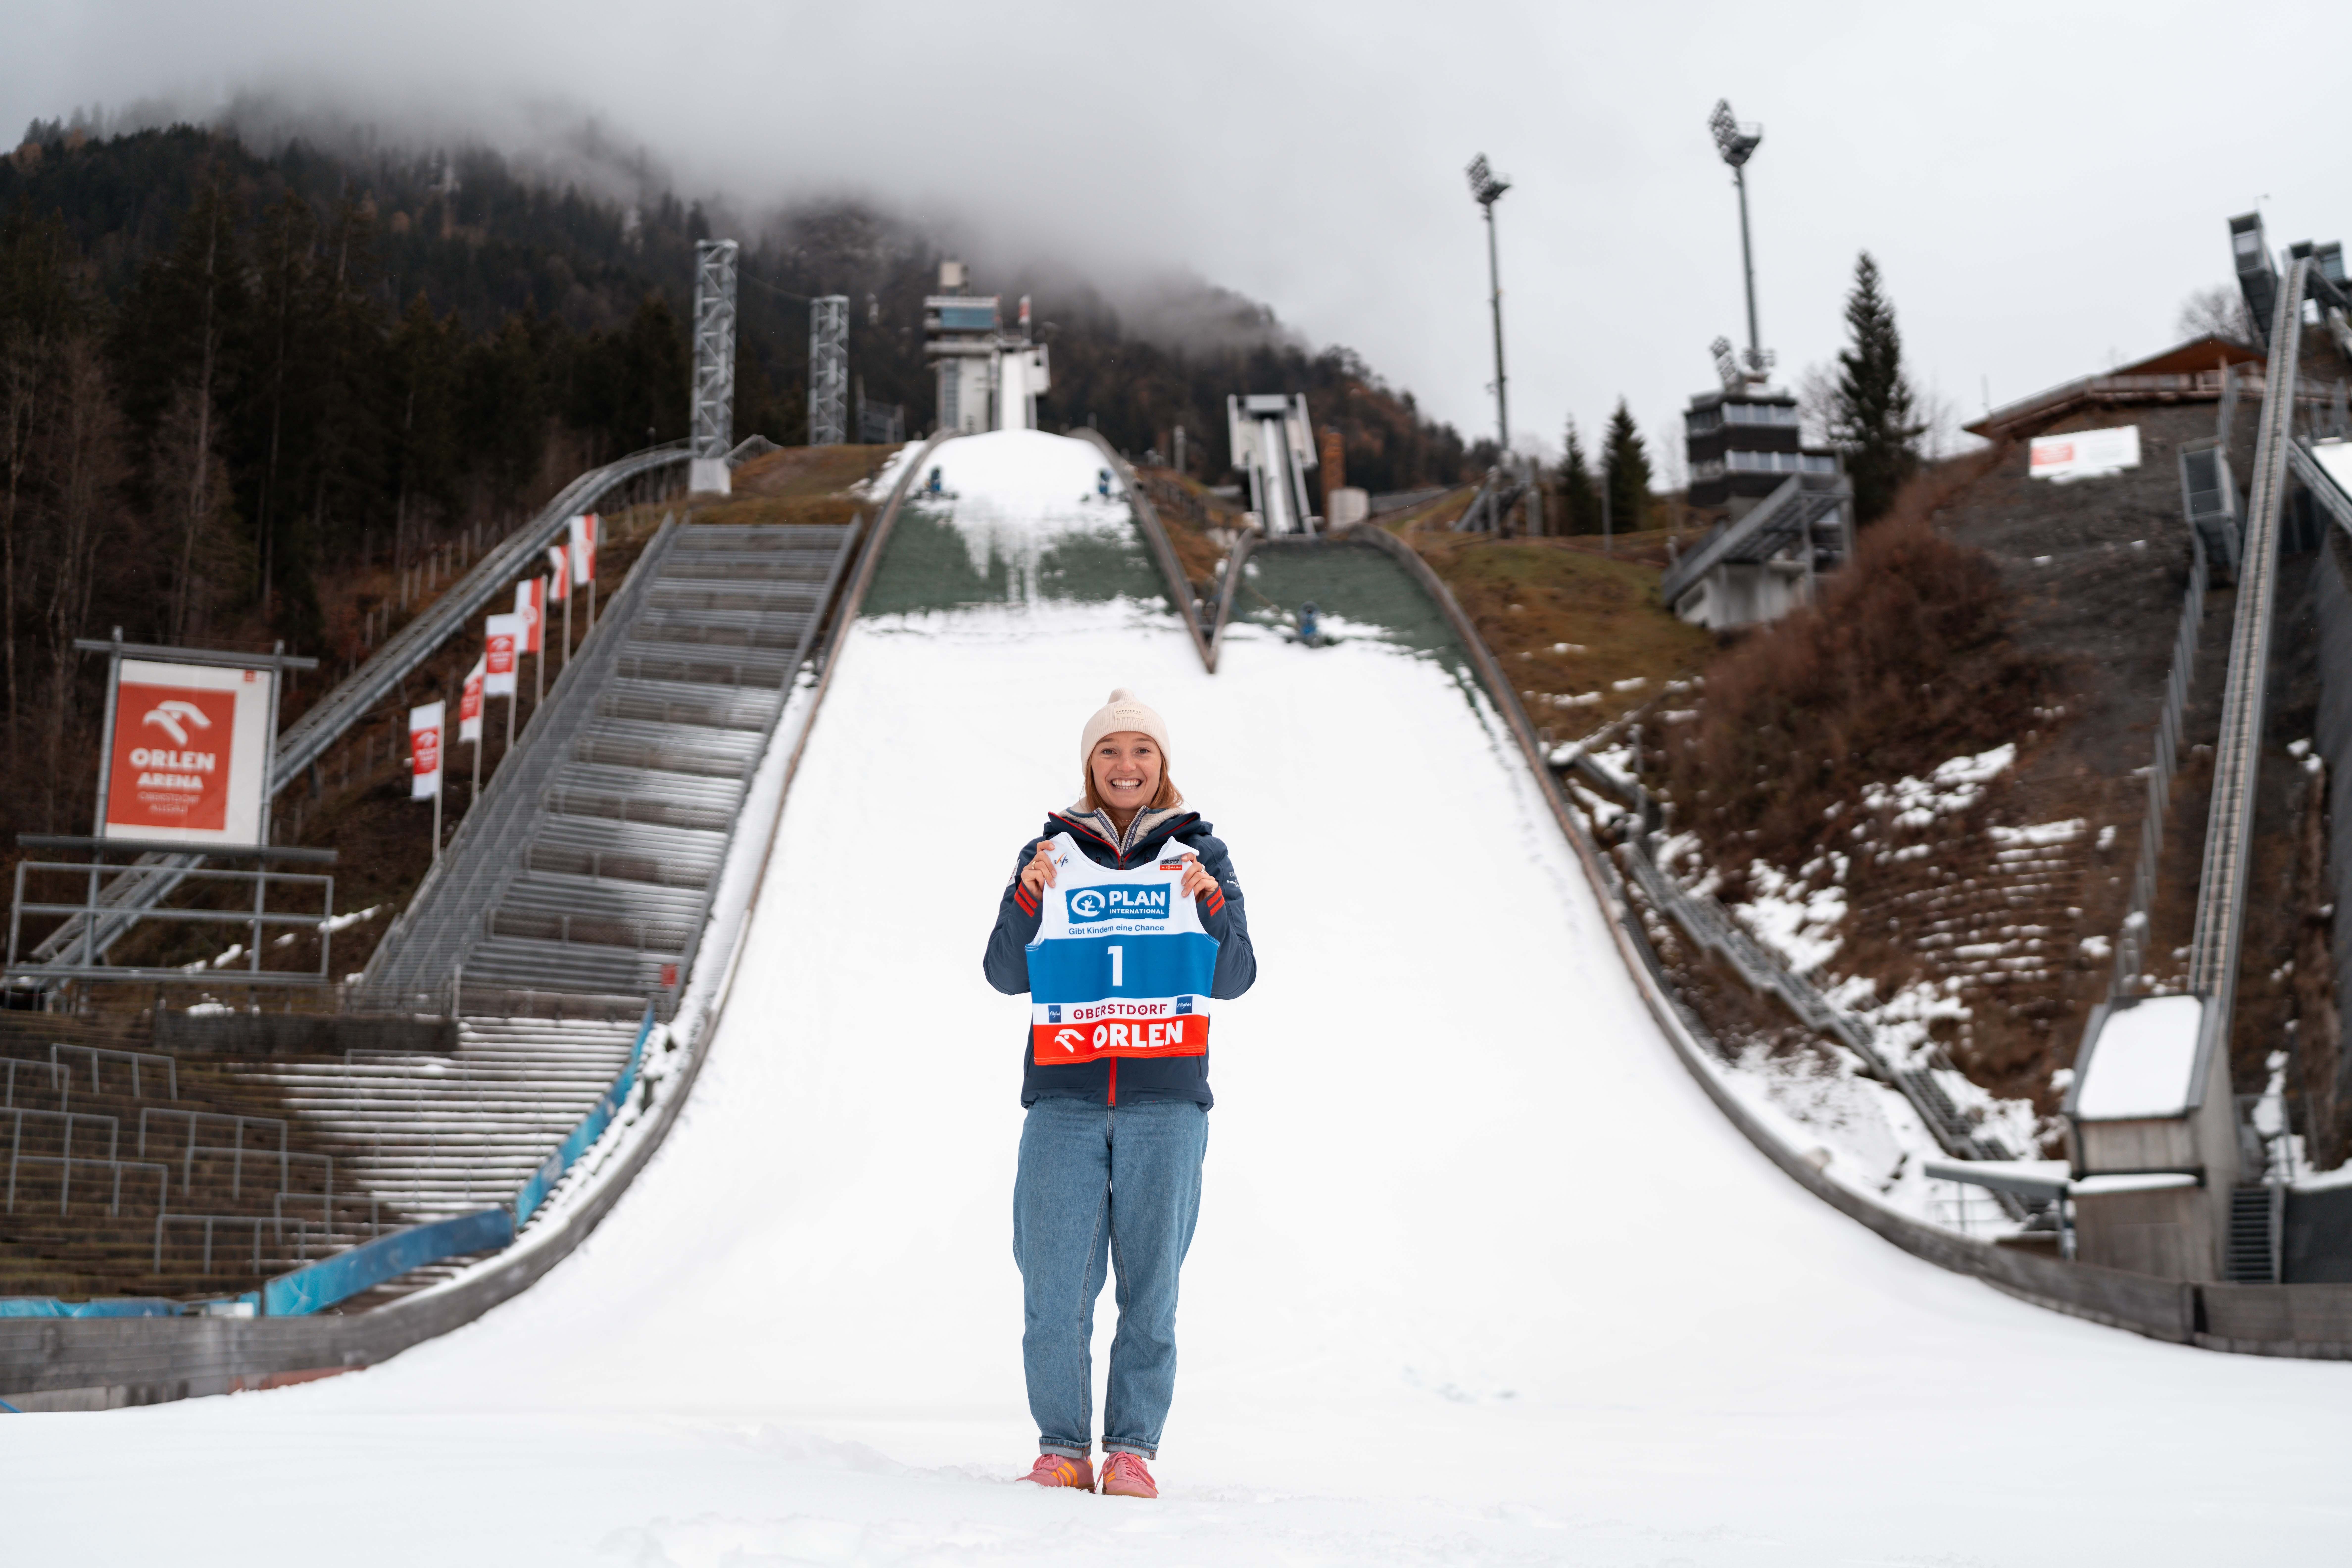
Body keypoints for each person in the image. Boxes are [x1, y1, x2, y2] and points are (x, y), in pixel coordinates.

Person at [982, 688, 1256, 1499]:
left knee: (1151, 1286)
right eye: (1109, 751)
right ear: (1089, 764)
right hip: (1063, 1098)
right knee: (1054, 1283)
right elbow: (1004, 972)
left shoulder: (1202, 852)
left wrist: (1208, 899)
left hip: (1166, 1099)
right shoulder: (1050, 852)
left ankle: (1132, 1448)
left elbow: (1237, 976)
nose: (1125, 765)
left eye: (1140, 750)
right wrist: (1028, 894)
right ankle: (1062, 1447)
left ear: (1161, 764)